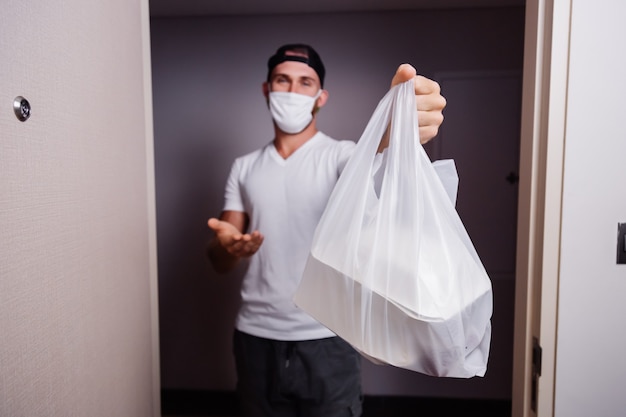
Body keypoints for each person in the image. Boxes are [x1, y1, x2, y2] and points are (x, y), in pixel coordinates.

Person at [207, 43, 446, 417]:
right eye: (282, 80)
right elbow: (222, 256)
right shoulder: (244, 167)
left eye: (305, 82)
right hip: (255, 338)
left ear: (321, 96)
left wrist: (400, 128)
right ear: (267, 89)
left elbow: (375, 155)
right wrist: (227, 245)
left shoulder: (340, 156)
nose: (292, 90)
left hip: (327, 338)